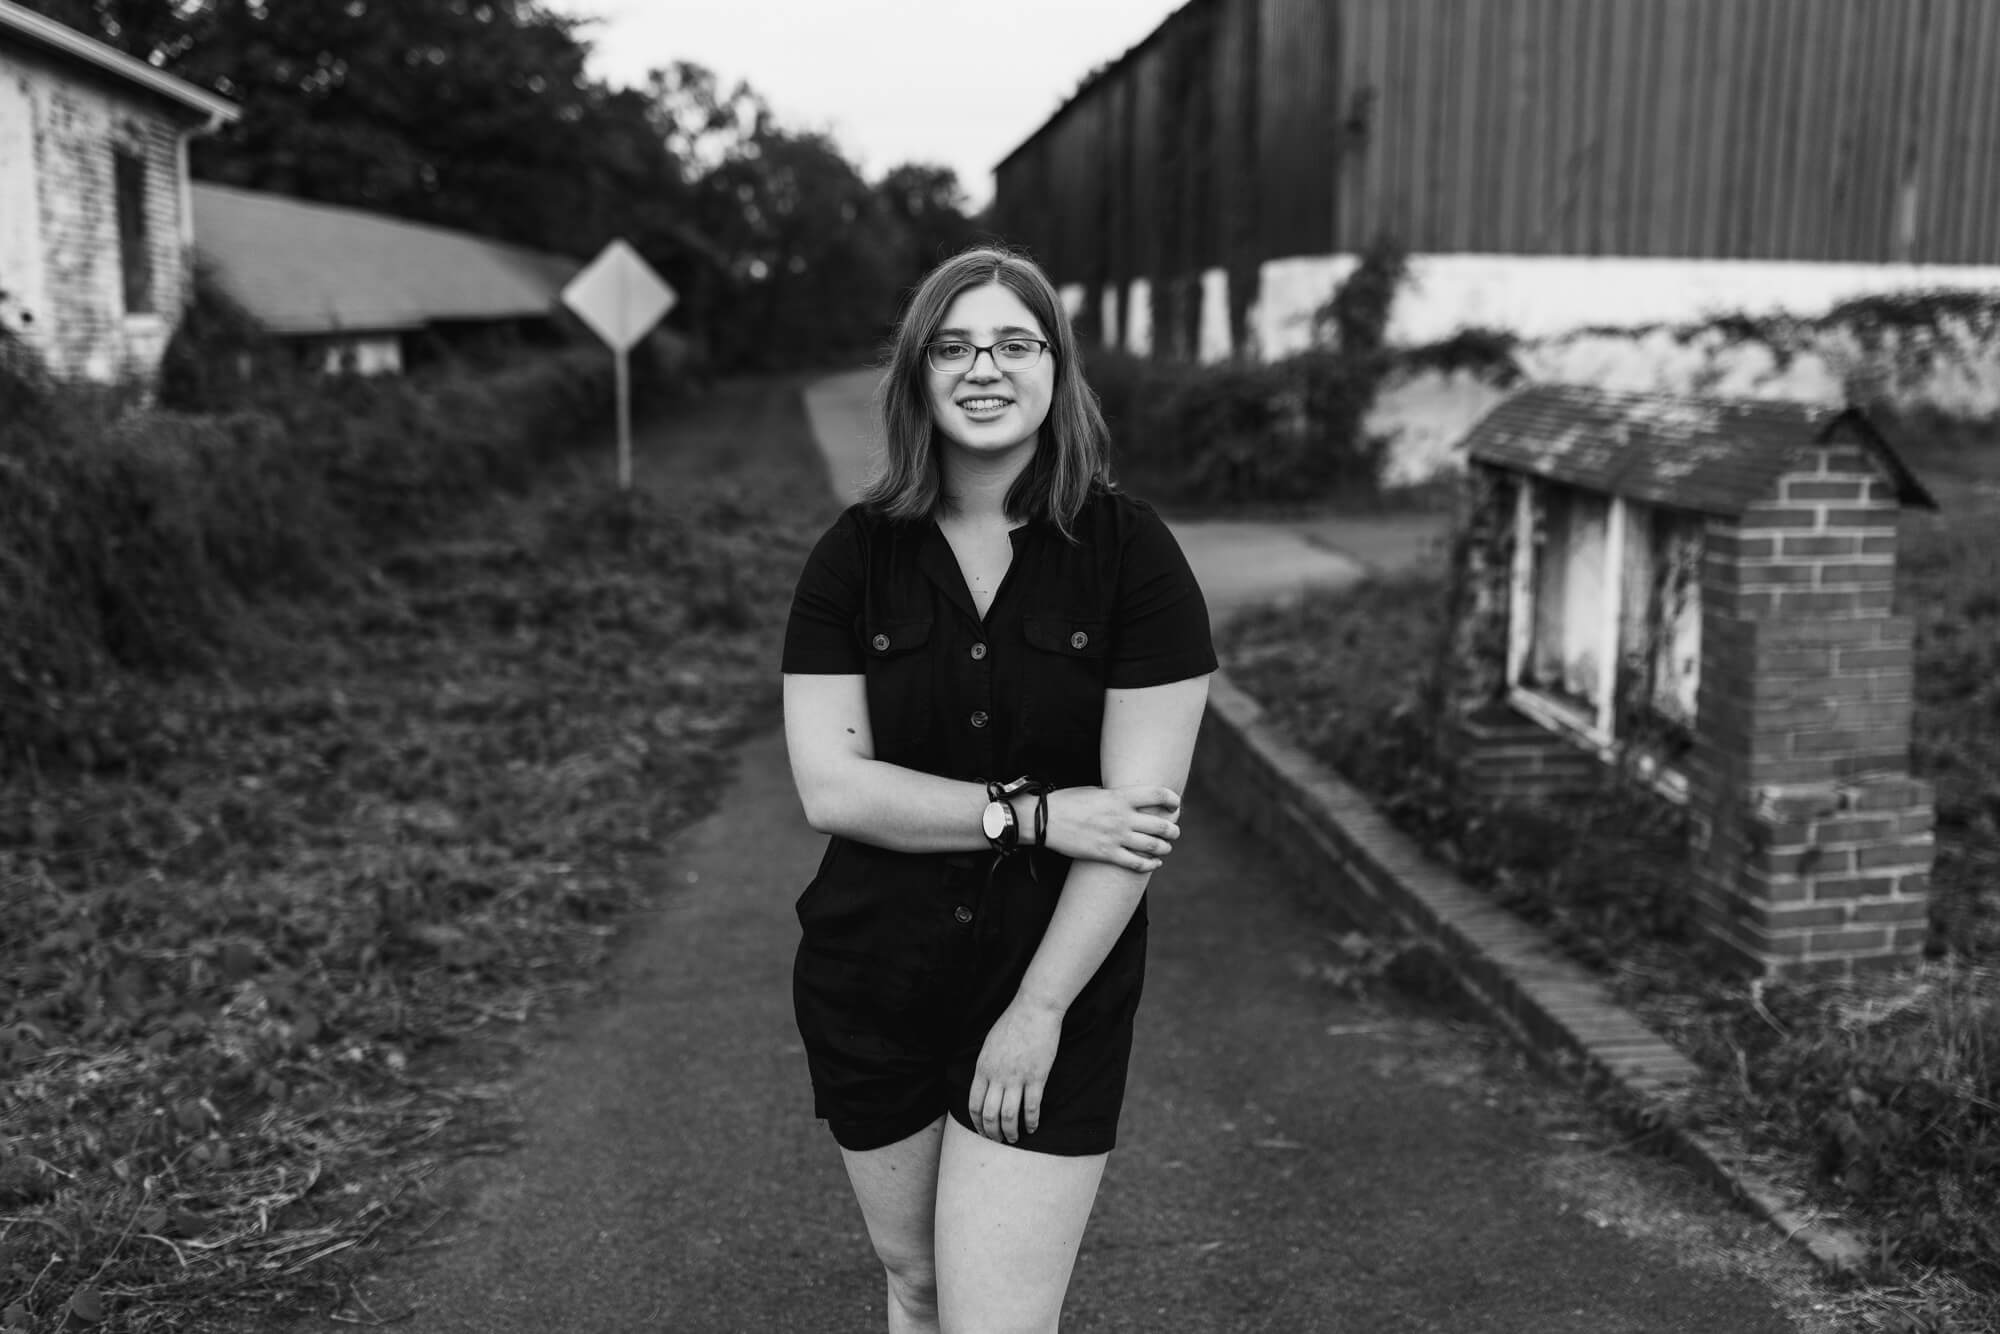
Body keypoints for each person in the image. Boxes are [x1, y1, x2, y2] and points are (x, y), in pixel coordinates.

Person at [780, 246, 1214, 1333]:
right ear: (918, 376)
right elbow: (831, 788)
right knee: (919, 1285)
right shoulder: (854, 557)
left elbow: (1137, 824)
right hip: (873, 982)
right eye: (954, 345)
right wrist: (1032, 812)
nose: (985, 366)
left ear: (1055, 372)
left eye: (1014, 343)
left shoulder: (1132, 557)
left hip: (1051, 982)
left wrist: (1036, 1010)